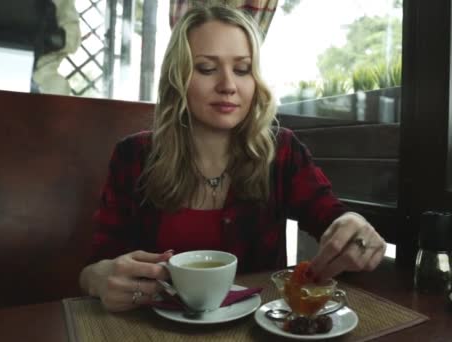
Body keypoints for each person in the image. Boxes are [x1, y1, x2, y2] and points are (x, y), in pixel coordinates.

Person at [79, 4, 387, 312]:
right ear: (178, 78)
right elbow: (97, 265)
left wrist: (354, 224)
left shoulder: (282, 151)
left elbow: (331, 216)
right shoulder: (133, 156)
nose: (228, 85)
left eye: (242, 70)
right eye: (206, 69)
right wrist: (98, 278)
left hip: (258, 329)